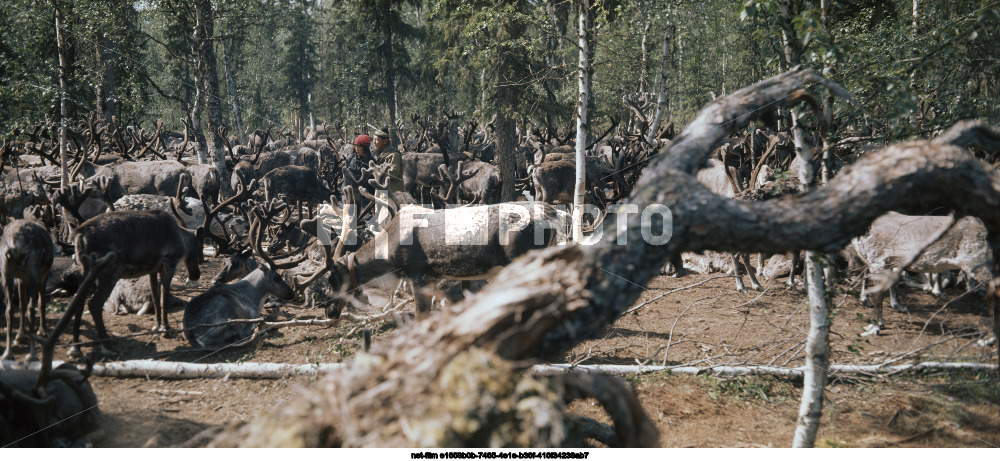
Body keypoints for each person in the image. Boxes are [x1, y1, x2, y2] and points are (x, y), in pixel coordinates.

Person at [372, 128, 404, 195]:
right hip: (382, 192)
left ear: (385, 141)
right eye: (373, 139)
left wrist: (376, 168)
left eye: (376, 140)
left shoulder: (393, 154)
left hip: (394, 193)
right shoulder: (378, 153)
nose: (374, 142)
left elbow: (394, 173)